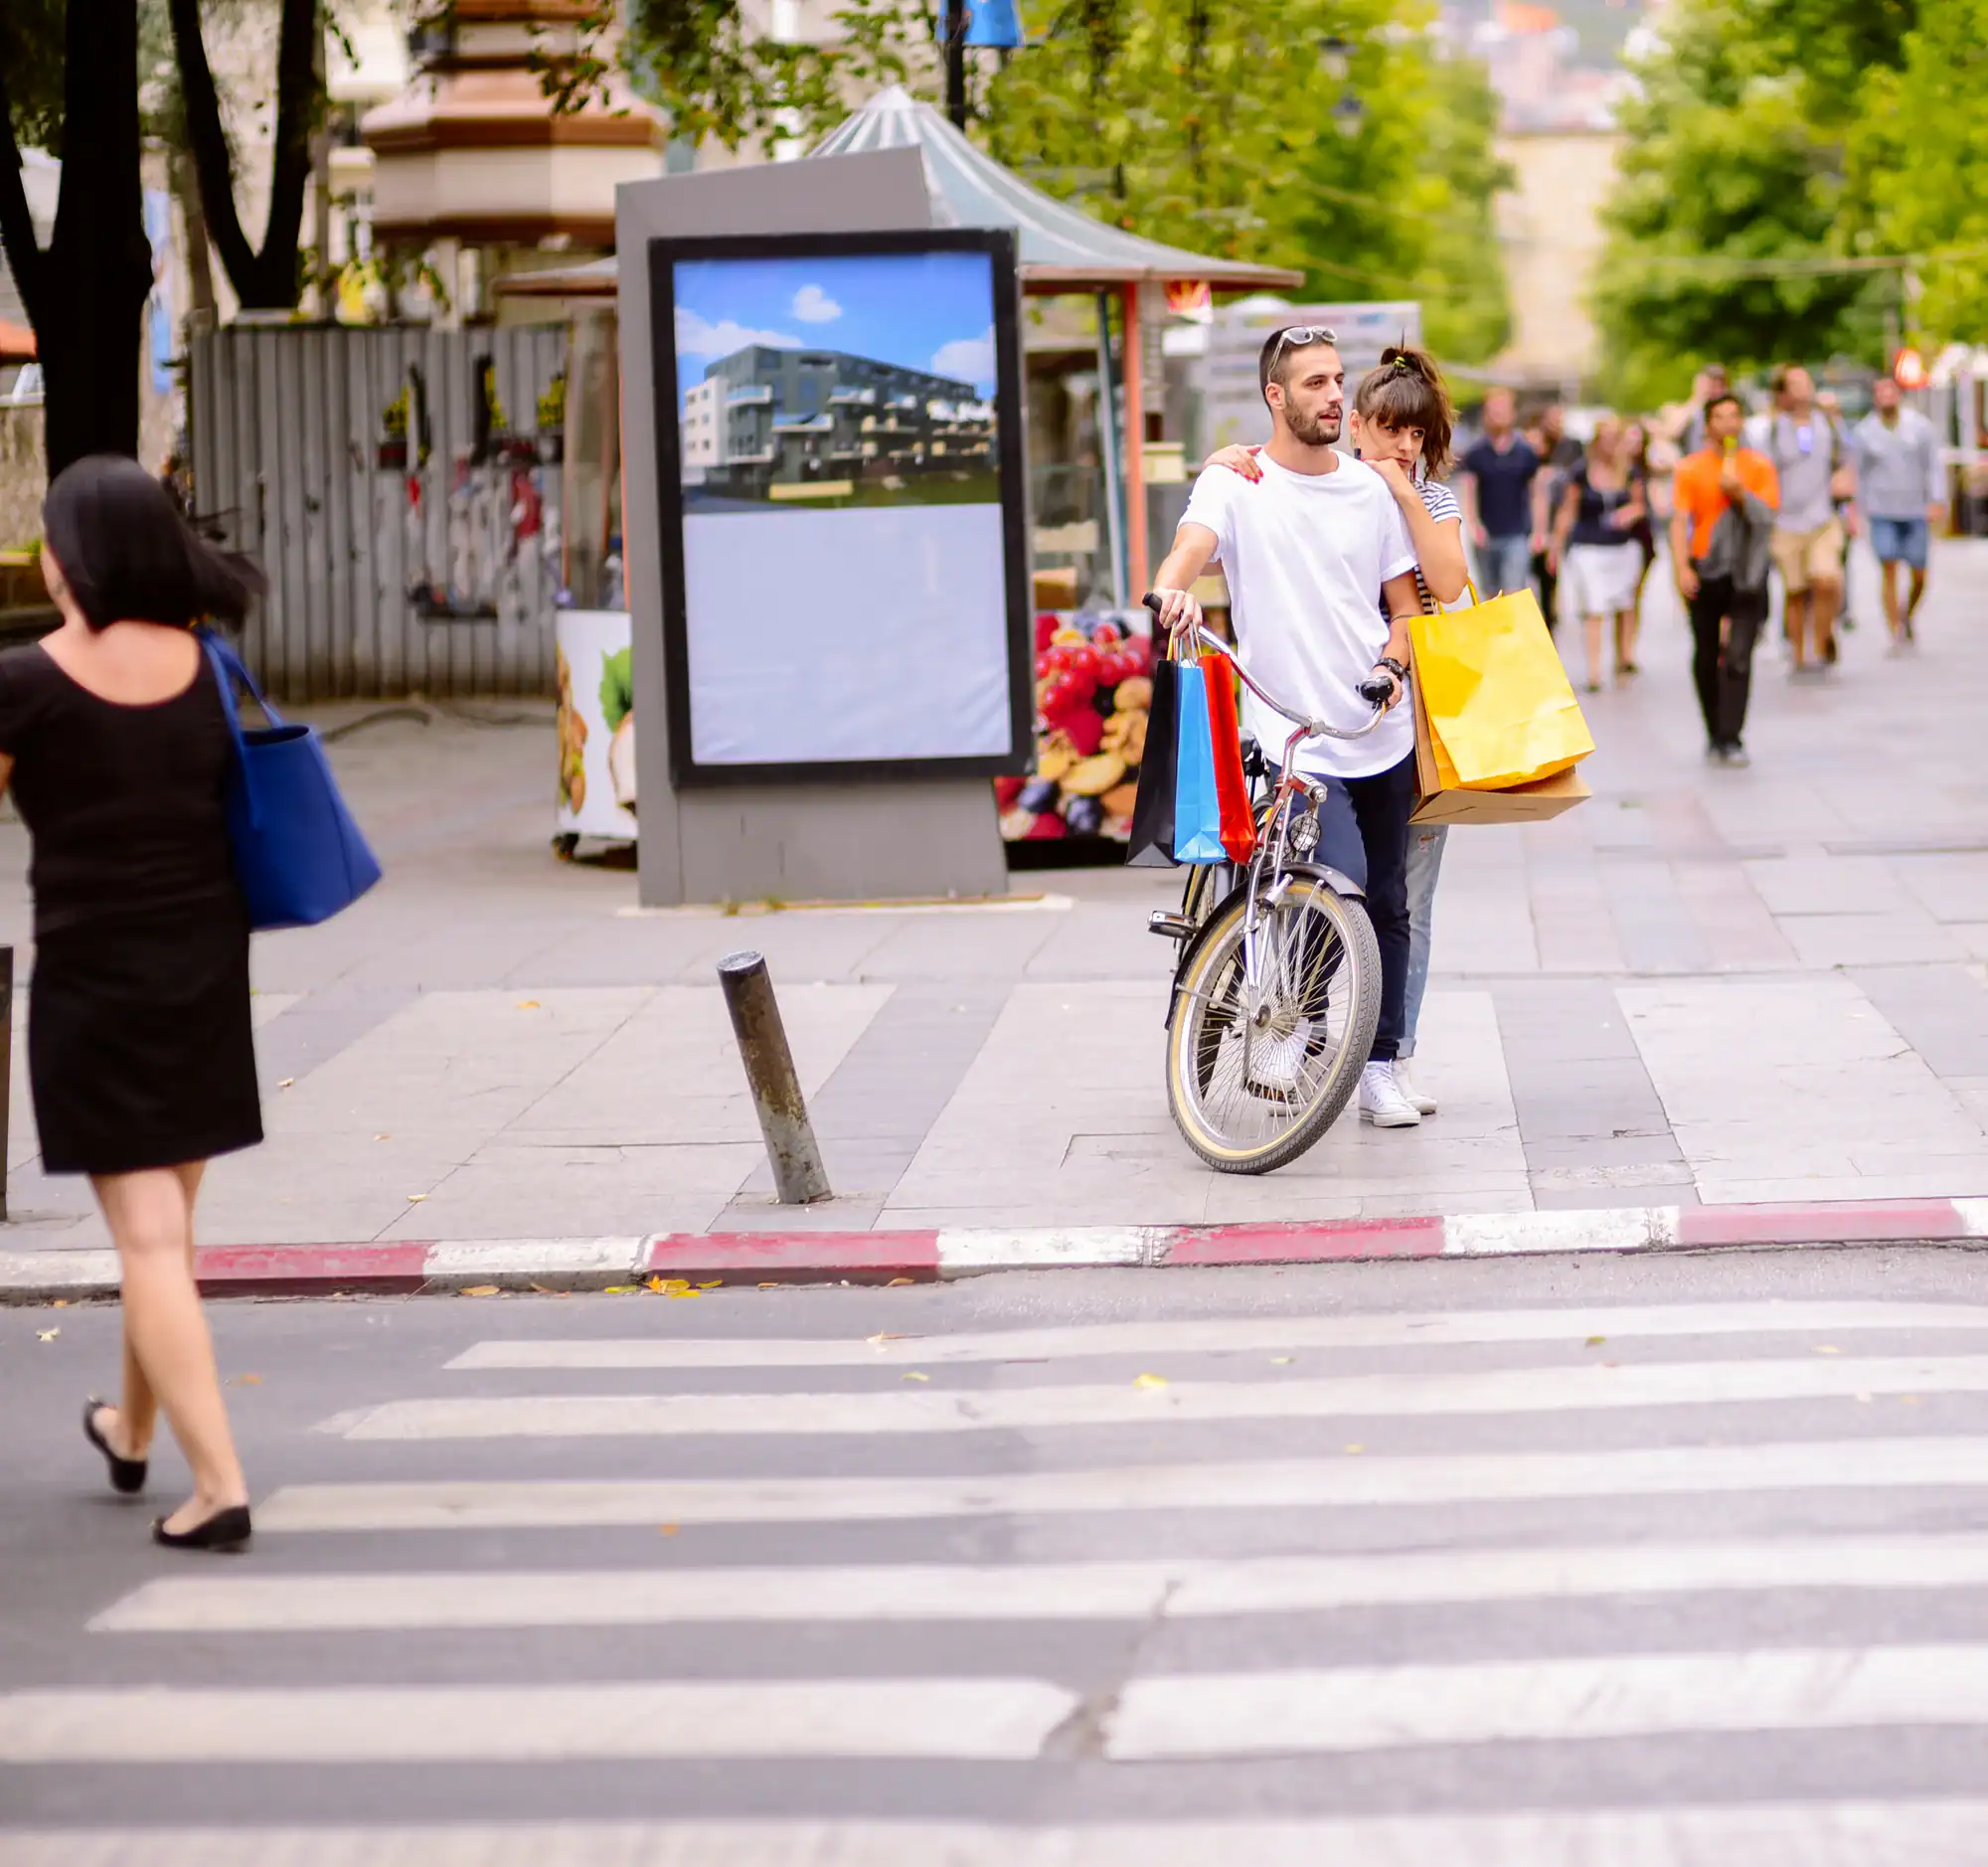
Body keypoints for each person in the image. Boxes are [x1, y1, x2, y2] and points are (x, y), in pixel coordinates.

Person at [6, 456, 265, 1552]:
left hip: (96, 983)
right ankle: (129, 1432)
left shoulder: (25, 679)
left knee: (151, 1238)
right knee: (165, 1232)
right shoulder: (208, 668)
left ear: (70, 559)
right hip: (204, 975)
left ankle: (217, 1487)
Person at [1150, 326, 1427, 1128]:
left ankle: (1379, 1064)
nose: (1335, 396)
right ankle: (1295, 1030)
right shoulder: (1235, 483)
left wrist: (1393, 664)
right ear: (1276, 396)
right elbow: (1188, 550)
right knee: (1328, 887)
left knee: (1388, 901)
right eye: (1314, 384)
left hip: (1379, 724)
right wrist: (1171, 592)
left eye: (1338, 380)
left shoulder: (1369, 491)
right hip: (1289, 727)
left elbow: (1404, 608)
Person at [1206, 343, 1466, 1118]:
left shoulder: (1426, 500)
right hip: (1323, 715)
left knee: (1401, 898)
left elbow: (1444, 586)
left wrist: (1404, 492)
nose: (1403, 446)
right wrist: (1236, 454)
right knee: (1332, 881)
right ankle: (1311, 1031)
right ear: (1354, 425)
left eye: (1416, 434)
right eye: (1389, 430)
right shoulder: (1324, 484)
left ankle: (1391, 1054)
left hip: (1413, 719)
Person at [1671, 394, 1779, 765]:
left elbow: (1767, 517)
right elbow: (1679, 520)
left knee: (1738, 655)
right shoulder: (1690, 468)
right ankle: (1714, 729)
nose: (1728, 423)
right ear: (1707, 425)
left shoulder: (1759, 466)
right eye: (1720, 417)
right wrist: (1682, 566)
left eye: (1735, 416)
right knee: (1705, 652)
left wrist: (1740, 495)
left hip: (1748, 570)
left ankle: (1732, 736)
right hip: (1706, 566)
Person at [1764, 364, 1853, 672]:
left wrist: (1844, 480)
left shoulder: (1827, 423)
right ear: (1783, 393)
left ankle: (1823, 637)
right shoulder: (1773, 428)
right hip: (1786, 520)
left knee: (1825, 578)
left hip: (1822, 517)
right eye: (1795, 384)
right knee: (1796, 591)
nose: (1803, 389)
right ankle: (1799, 653)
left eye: (1806, 382)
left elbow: (1846, 459)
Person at [1551, 417, 1647, 694]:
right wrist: (1556, 546)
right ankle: (1594, 670)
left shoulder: (1630, 471)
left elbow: (1640, 505)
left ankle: (1623, 658)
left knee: (1623, 604)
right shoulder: (1580, 472)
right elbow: (1568, 510)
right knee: (1594, 607)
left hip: (1622, 547)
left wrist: (1629, 513)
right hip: (1588, 547)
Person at [1852, 371, 1943, 647]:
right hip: (1881, 509)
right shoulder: (1864, 432)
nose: (1886, 398)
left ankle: (1907, 614)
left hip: (1915, 507)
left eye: (1890, 392)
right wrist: (1856, 510)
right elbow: (1858, 473)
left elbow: (1933, 466)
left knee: (1919, 573)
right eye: (1880, 393)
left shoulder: (1921, 427)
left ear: (1899, 395)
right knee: (1888, 567)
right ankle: (1895, 630)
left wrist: (1936, 500)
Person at [1457, 388, 1540, 604]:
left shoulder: (1525, 452)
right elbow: (1469, 491)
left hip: (1516, 532)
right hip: (1487, 534)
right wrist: (1474, 525)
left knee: (1514, 590)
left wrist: (1539, 530)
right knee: (1490, 595)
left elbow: (1537, 493)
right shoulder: (1475, 452)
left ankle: (1513, 638)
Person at [1526, 403, 1584, 632]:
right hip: (1535, 520)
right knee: (1537, 570)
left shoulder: (1571, 447)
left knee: (1550, 569)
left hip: (1558, 516)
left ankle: (1549, 613)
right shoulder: (1533, 456)